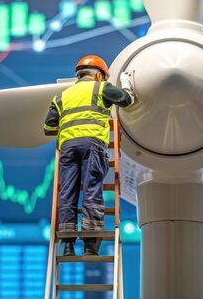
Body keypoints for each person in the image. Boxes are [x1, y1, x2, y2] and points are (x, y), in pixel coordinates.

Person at [43, 55, 135, 256]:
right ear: (99, 75)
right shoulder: (101, 88)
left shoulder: (61, 96)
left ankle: (67, 246)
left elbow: (48, 128)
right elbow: (127, 100)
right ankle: (90, 245)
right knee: (92, 190)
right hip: (92, 144)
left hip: (67, 147)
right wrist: (127, 83)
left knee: (67, 193)